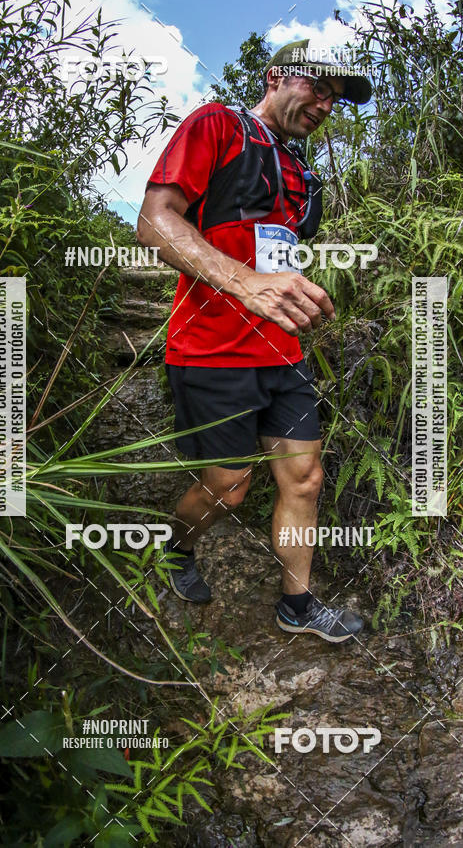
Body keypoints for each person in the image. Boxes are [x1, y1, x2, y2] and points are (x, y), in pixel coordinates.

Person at [137, 39, 372, 643]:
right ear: (275, 77)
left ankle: (297, 603)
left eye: (336, 98)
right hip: (210, 349)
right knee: (229, 488)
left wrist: (291, 296)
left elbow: (278, 253)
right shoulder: (218, 124)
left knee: (305, 478)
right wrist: (246, 283)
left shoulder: (303, 175)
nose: (325, 103)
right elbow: (156, 219)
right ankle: (176, 546)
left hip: (282, 352)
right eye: (318, 87)